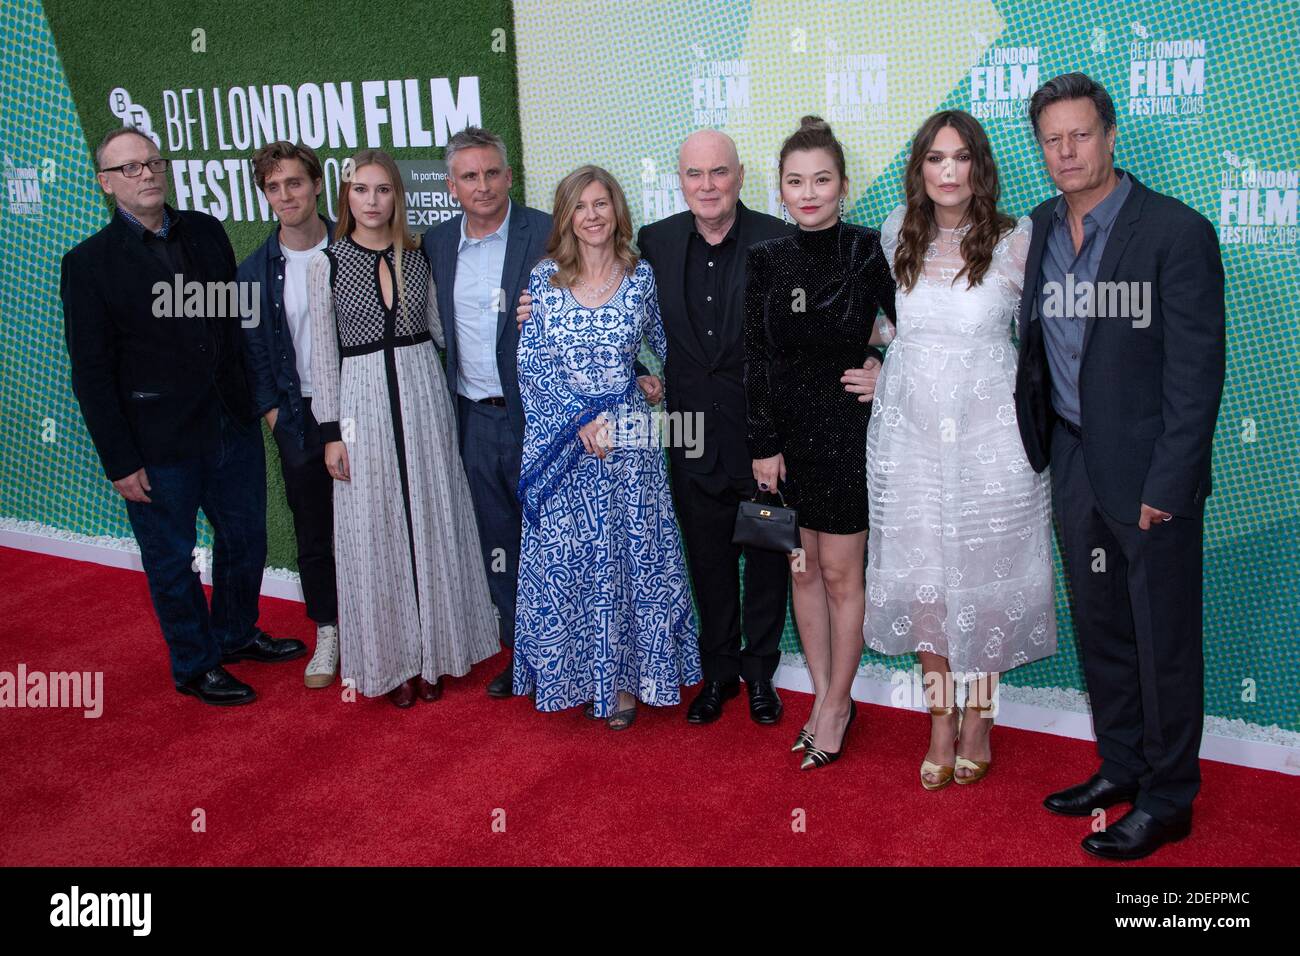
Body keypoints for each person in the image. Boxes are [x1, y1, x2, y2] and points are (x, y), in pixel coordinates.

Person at [1016, 74, 1225, 859]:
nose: (1066, 152)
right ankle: (1123, 766)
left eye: (1080, 135)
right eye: (1052, 140)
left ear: (1110, 136)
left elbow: (1197, 377)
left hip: (1149, 479)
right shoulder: (1036, 228)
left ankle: (1170, 798)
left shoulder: (1175, 233)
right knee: (1103, 627)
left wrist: (1167, 487)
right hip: (1071, 458)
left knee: (1161, 638)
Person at [61, 127, 305, 706]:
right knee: (172, 560)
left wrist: (253, 401)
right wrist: (119, 460)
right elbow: (92, 373)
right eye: (128, 169)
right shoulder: (89, 264)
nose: (144, 174)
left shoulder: (204, 230)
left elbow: (227, 319)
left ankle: (236, 633)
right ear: (105, 185)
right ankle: (196, 665)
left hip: (229, 424)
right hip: (157, 444)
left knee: (246, 539)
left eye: (151, 162)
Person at [423, 126, 659, 699]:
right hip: (488, 416)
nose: (483, 185)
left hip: (587, 430)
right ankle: (529, 654)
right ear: (452, 186)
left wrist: (647, 377)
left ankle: (619, 674)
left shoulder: (549, 240)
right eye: (470, 176)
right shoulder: (435, 245)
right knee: (510, 541)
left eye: (492, 173)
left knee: (613, 552)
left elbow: (648, 337)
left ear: (508, 177)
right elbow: (443, 332)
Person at [863, 111, 1056, 790]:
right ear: (919, 168)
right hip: (910, 439)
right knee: (925, 586)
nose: (948, 171)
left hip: (990, 439)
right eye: (935, 158)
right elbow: (898, 326)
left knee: (987, 577)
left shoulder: (1015, 239)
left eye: (961, 157)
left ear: (979, 166)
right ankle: (940, 721)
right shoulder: (896, 234)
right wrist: (877, 356)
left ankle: (982, 715)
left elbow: (1042, 337)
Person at [308, 148, 498, 708]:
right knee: (377, 529)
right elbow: (323, 356)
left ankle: (436, 653)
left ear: (398, 196)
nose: (372, 200)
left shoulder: (418, 257)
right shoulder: (329, 263)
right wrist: (331, 433)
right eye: (361, 190)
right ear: (346, 196)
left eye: (383, 189)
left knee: (432, 520)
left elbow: (444, 331)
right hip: (360, 404)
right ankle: (392, 662)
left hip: (423, 396)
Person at [514, 165, 701, 729]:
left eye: (602, 204)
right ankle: (569, 674)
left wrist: (652, 378)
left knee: (628, 561)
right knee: (569, 564)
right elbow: (531, 367)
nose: (592, 216)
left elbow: (664, 351)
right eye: (581, 206)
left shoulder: (641, 277)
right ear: (566, 216)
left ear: (617, 210)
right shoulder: (543, 281)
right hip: (565, 446)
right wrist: (578, 425)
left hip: (629, 444)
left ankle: (625, 683)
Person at [744, 116, 896, 768]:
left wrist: (886, 367)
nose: (809, 193)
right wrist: (762, 442)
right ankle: (824, 695)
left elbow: (920, 326)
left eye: (822, 180)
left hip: (845, 435)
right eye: (796, 181)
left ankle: (836, 703)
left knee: (839, 573)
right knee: (799, 570)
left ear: (843, 185)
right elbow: (755, 358)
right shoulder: (764, 260)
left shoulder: (868, 251)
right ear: (780, 190)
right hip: (784, 443)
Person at [635, 130, 794, 727]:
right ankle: (718, 673)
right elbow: (606, 299)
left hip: (762, 442)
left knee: (766, 561)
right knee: (708, 561)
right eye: (695, 174)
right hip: (688, 435)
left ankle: (759, 678)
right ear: (680, 180)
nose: (707, 186)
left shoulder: (777, 241)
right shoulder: (656, 240)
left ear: (740, 175)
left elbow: (795, 348)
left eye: (719, 173)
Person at [238, 141, 340, 689]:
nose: (285, 196)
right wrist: (278, 419)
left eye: (294, 183)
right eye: (274, 188)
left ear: (317, 184)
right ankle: (328, 630)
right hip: (297, 415)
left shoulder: (353, 248)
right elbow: (254, 356)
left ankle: (386, 625)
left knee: (377, 523)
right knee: (314, 532)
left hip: (360, 403)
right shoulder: (252, 272)